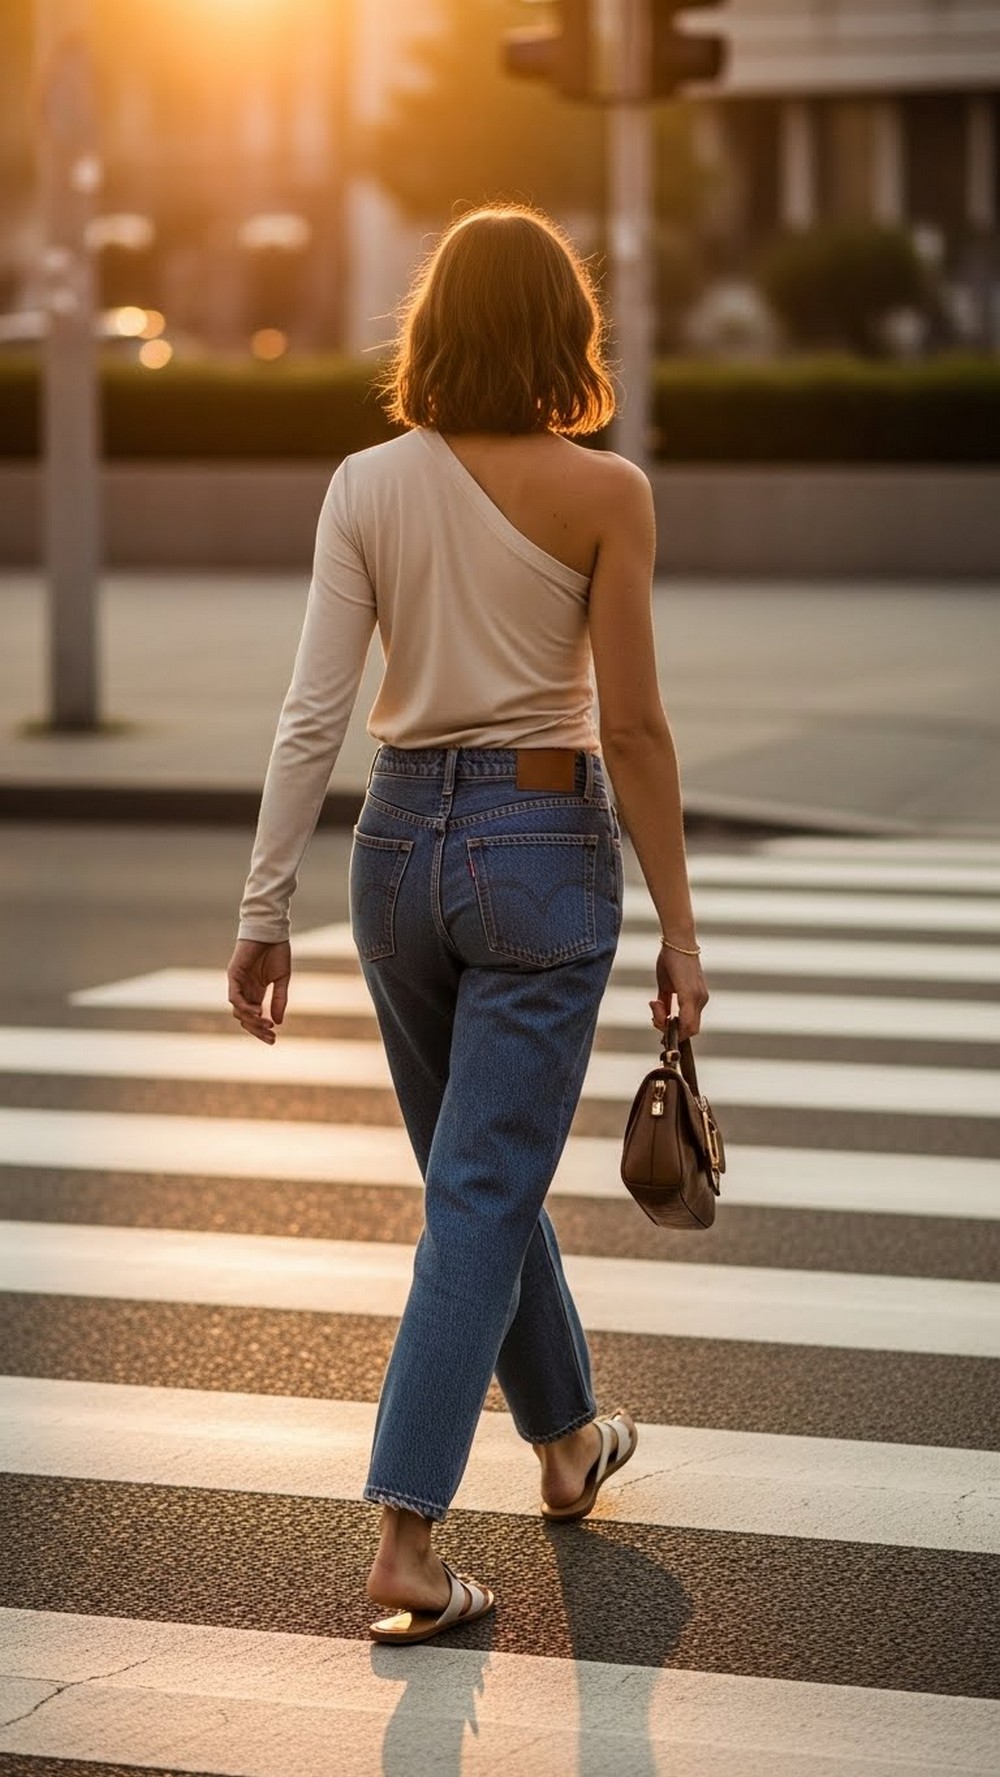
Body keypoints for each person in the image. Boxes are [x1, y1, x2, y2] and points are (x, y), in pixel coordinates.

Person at [227, 203, 708, 1646]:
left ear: (431, 328)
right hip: (540, 846)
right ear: (566, 332)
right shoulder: (606, 494)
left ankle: (566, 1442)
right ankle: (405, 1543)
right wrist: (682, 930)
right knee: (482, 1189)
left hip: (394, 854)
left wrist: (265, 906)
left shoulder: (365, 483)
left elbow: (315, 710)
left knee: (472, 1176)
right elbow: (631, 724)